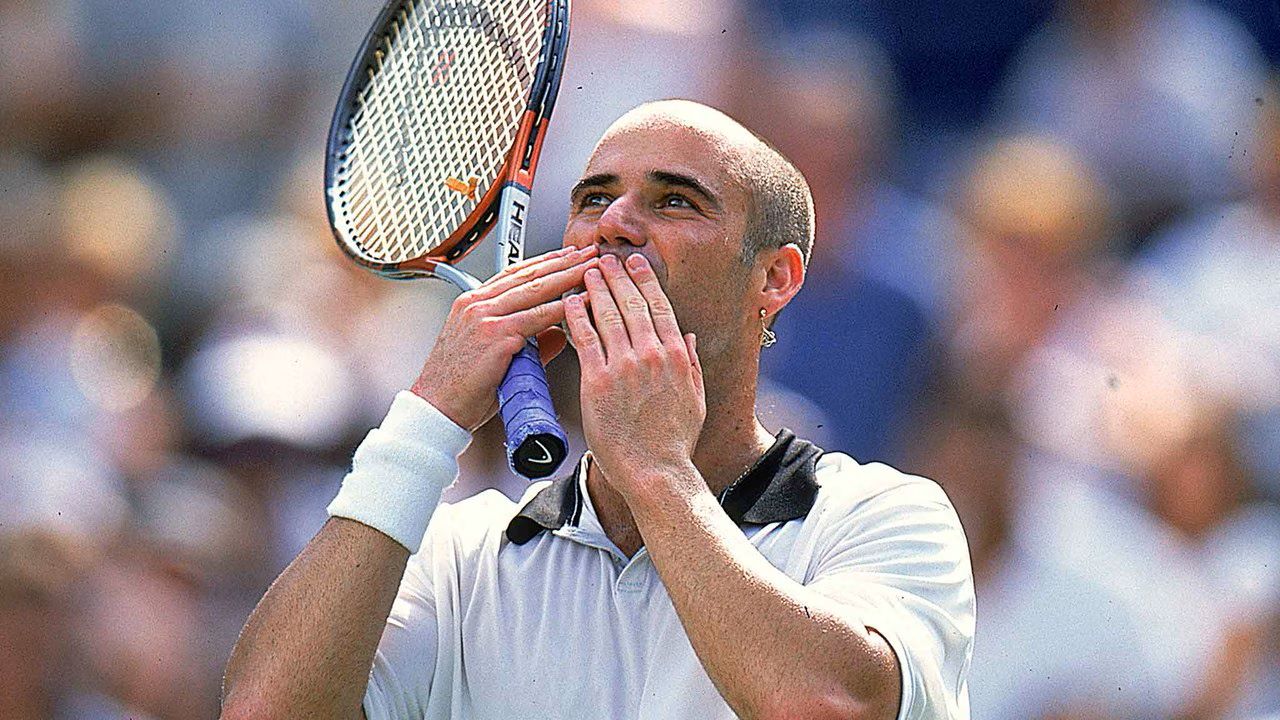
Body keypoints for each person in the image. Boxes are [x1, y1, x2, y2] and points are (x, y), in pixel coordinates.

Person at [219, 100, 974, 720]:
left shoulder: (885, 517)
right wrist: (428, 416)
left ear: (774, 278)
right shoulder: (461, 556)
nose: (614, 222)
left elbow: (823, 707)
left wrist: (656, 470)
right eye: (593, 199)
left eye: (675, 200)